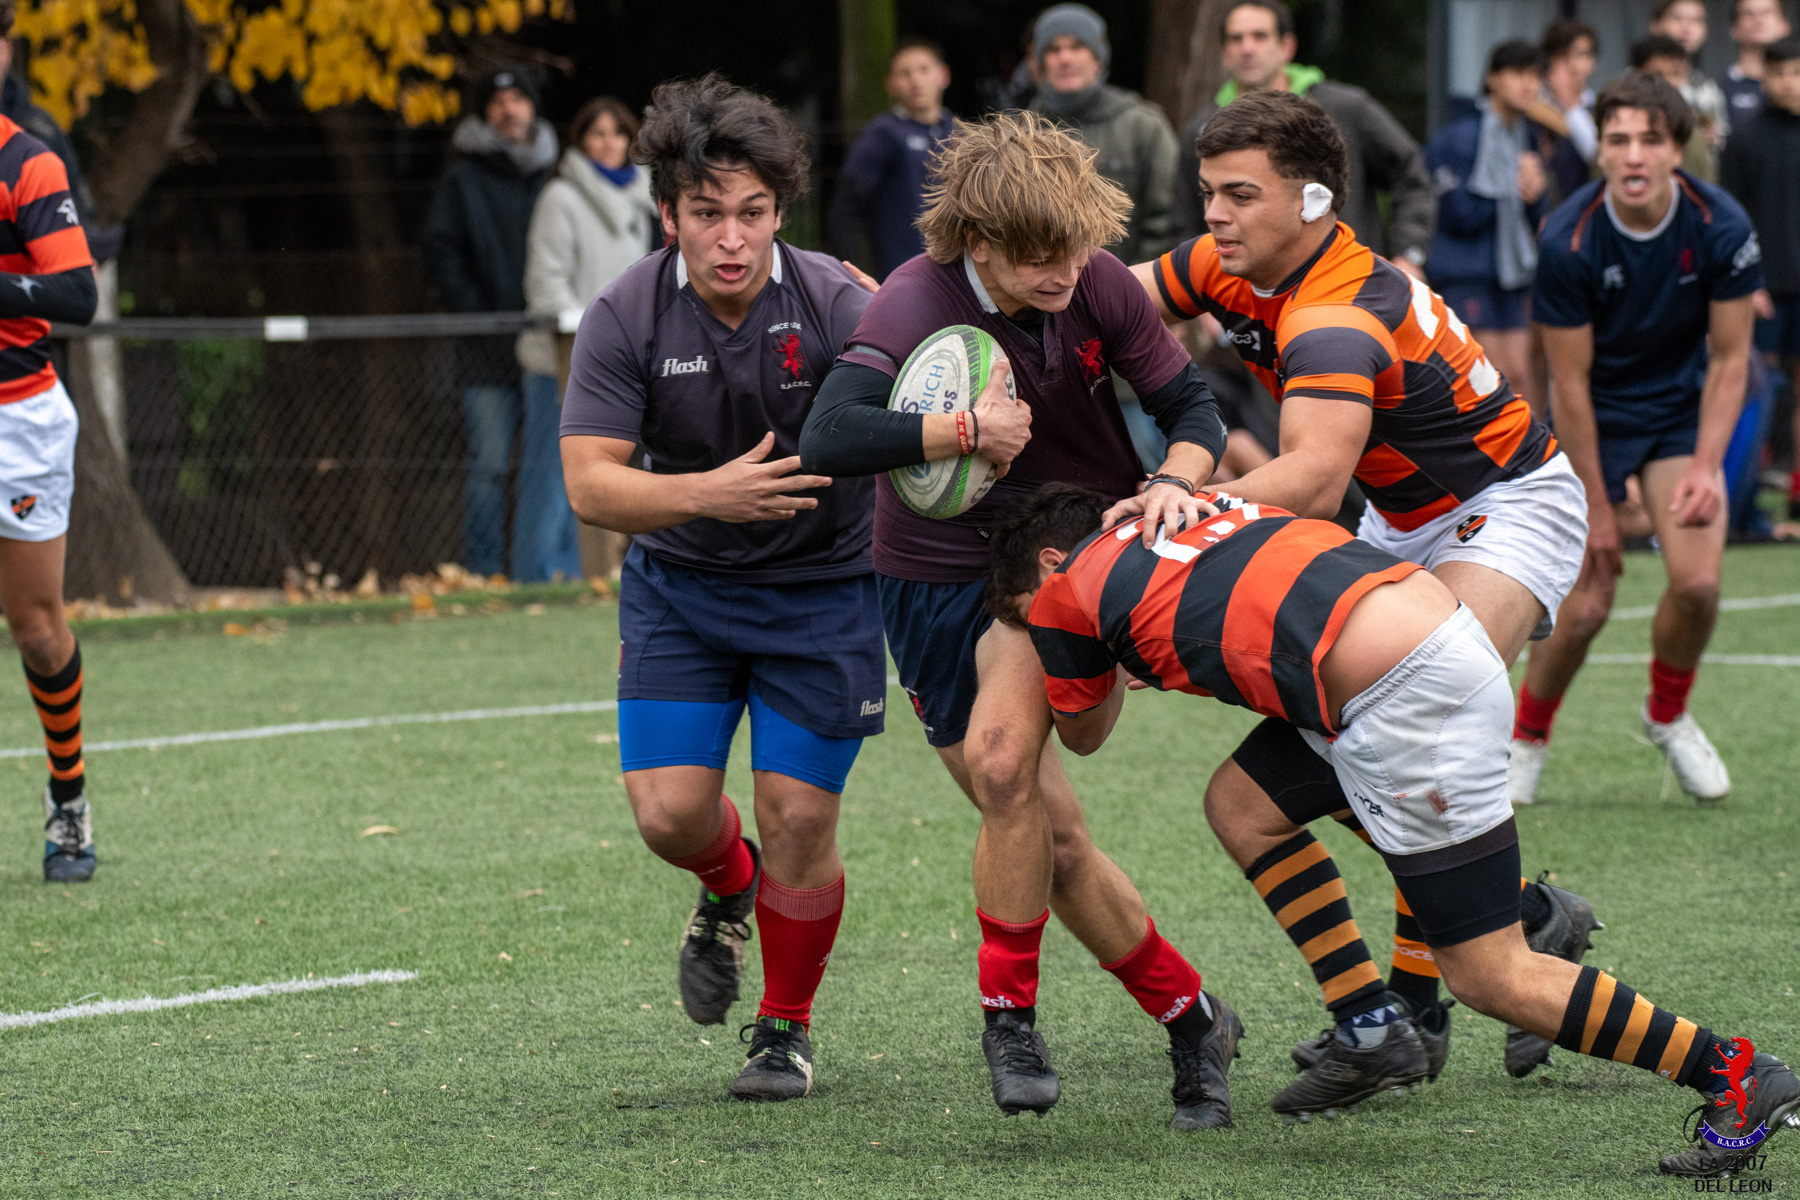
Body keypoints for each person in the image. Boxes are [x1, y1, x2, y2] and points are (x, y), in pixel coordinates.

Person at [993, 481, 1800, 1176]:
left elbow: (1086, 734)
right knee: (1242, 803)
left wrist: (1080, 652)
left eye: (1023, 618)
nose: (1035, 634)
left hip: (1402, 700)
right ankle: (1372, 1019)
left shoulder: (1066, 594)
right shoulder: (1186, 510)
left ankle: (1734, 1074)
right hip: (1422, 641)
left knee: (1489, 976)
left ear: (1047, 567)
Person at [1128, 88, 1595, 1094]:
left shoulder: (1338, 313)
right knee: (1318, 761)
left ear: (1310, 201)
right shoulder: (1232, 257)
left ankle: (1409, 1017)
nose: (1213, 215)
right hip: (1404, 519)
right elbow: (1111, 304)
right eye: (1209, 193)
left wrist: (1174, 504)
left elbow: (1307, 480)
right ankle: (1503, 927)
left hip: (1505, 507)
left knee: (1403, 718)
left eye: (1238, 195)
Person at [802, 111, 1237, 1130]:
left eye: (1076, 248)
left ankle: (1009, 1020)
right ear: (979, 244)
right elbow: (829, 433)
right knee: (1059, 840)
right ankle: (1193, 1017)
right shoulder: (916, 296)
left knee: (1005, 771)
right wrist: (963, 429)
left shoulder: (1100, 282)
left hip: (1064, 564)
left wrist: (1174, 483)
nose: (1065, 272)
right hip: (934, 577)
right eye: (1041, 256)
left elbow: (1195, 411)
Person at [559, 75, 885, 1102]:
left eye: (751, 213)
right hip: (683, 592)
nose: (730, 237)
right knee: (668, 815)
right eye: (707, 214)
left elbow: (926, 416)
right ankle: (728, 887)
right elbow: (589, 482)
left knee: (796, 815)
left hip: (826, 588)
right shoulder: (626, 312)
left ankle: (782, 1030)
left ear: (779, 211)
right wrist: (710, 494)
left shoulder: (842, 301)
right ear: (670, 214)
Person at [1512, 72, 1760, 809]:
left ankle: (1667, 715)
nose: (1633, 155)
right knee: (1585, 605)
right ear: (1601, 152)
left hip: (1679, 416)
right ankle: (1526, 736)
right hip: (1592, 414)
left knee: (1700, 583)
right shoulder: (1568, 236)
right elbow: (1569, 385)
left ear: (1677, 149)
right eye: (1617, 139)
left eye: (1650, 139)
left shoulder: (1722, 225)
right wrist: (1594, 499)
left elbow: (1731, 359)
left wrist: (1710, 466)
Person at [0, 0, 98, 884]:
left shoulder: (25, 163)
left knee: (34, 627)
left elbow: (76, 297)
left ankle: (68, 801)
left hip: (18, 418)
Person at [1025, 3, 1184, 470]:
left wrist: (1130, 300)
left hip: (1127, 335)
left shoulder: (1142, 124)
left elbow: (1171, 225)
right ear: (1039, 62)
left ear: (1099, 57)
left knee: (1145, 464)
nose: (1065, 58)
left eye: (1076, 46)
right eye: (1053, 49)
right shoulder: (1019, 132)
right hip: (1037, 333)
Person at [1173, 0, 1434, 281]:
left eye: (1259, 36)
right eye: (1236, 39)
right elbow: (1183, 219)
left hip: (1350, 282)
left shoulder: (1346, 108)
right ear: (1224, 53)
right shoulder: (1201, 129)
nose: (1247, 48)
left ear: (1287, 46)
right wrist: (1203, 290)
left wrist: (1408, 254)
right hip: (1241, 299)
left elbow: (1411, 175)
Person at [422, 65, 558, 580]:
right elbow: (441, 253)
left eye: (518, 97)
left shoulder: (556, 173)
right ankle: (482, 572)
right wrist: (478, 314)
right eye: (497, 101)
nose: (509, 109)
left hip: (550, 344)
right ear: (484, 112)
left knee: (553, 464)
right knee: (490, 465)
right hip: (486, 347)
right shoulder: (462, 179)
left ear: (532, 106)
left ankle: (543, 568)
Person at [522, 96, 658, 584]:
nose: (609, 143)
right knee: (551, 480)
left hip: (619, 365)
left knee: (605, 474)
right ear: (580, 141)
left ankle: (589, 575)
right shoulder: (560, 197)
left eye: (618, 133)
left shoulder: (640, 200)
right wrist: (589, 337)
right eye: (597, 133)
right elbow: (546, 283)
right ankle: (537, 578)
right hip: (559, 361)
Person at [1423, 40, 1551, 419]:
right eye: (1517, 73)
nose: (1528, 84)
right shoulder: (1460, 136)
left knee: (1523, 380)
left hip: (1510, 276)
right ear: (1492, 79)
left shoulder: (1526, 135)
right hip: (1467, 274)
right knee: (1487, 382)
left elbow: (1530, 218)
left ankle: (1525, 471)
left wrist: (1532, 195)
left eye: (1535, 76)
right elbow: (1455, 214)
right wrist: (1511, 188)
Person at [1722, 36, 1800, 523]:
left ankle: (1797, 493)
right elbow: (1733, 218)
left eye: (1797, 72)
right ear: (1764, 76)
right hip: (1762, 291)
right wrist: (1749, 284)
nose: (1789, 82)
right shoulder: (1745, 137)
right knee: (1748, 388)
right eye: (1780, 73)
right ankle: (1737, 494)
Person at [827, 38, 956, 281]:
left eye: (924, 70)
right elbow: (845, 210)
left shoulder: (960, 133)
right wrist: (856, 275)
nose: (916, 80)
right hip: (902, 277)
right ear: (890, 84)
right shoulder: (882, 135)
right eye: (905, 73)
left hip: (959, 275)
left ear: (943, 75)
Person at [1651, 0, 1732, 182]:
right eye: (1677, 18)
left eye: (1696, 20)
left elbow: (1720, 149)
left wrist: (1712, 138)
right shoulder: (1635, 82)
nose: (1686, 27)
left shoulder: (1709, 90)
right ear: (1655, 25)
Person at [1634, 34, 1727, 182]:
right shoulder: (1619, 128)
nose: (1669, 83)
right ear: (1637, 74)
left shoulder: (1694, 129)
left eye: (1676, 73)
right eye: (1659, 75)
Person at [1525, 19, 1599, 204]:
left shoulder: (1601, 109)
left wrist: (1569, 105)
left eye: (1581, 55)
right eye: (1563, 56)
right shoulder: (1530, 109)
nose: (1572, 65)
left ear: (1592, 63)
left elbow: (1597, 157)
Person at [1724, 0, 1795, 117]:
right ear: (1734, 29)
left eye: (1766, 12)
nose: (1758, 20)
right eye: (1748, 13)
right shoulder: (1719, 89)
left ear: (1784, 25)